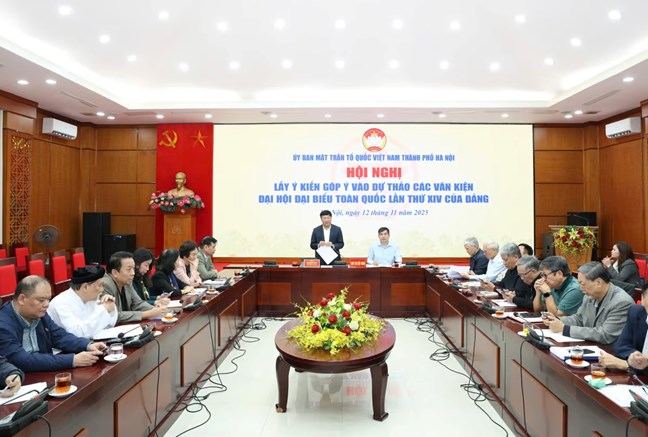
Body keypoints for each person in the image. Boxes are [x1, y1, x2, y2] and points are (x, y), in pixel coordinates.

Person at [0, 276, 107, 372]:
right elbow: (21, 360)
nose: (47, 304)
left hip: (44, 371)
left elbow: (59, 336)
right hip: (20, 380)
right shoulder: (3, 323)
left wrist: (88, 345)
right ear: (22, 299)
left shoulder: (39, 314)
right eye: (41, 300)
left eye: (48, 299)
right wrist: (72, 360)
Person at [543, 261, 633, 344]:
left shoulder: (621, 302)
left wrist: (565, 329)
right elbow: (579, 319)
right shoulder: (589, 295)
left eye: (583, 284)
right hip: (591, 345)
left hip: (611, 351)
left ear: (598, 282)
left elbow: (605, 335)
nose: (580, 288)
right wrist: (557, 320)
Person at [47, 265, 118, 338]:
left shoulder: (91, 298)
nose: (102, 289)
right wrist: (103, 309)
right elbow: (78, 334)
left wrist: (110, 309)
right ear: (85, 287)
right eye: (100, 285)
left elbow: (108, 326)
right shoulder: (61, 304)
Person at [102, 251, 169, 323]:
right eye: (129, 269)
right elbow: (113, 315)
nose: (133, 273)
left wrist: (156, 309)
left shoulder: (126, 282)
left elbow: (137, 303)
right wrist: (147, 314)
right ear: (115, 273)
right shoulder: (104, 285)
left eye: (133, 269)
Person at [598, 284, 648, 373]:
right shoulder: (636, 313)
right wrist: (634, 358)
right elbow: (621, 346)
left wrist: (627, 365)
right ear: (643, 299)